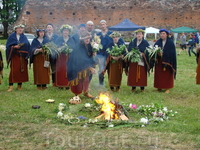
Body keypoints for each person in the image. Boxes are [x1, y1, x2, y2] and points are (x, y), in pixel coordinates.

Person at [67, 31, 96, 99]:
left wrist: (93, 53)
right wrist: (90, 67)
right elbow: (82, 59)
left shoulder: (88, 45)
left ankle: (86, 92)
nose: (87, 40)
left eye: (88, 38)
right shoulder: (78, 47)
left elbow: (88, 55)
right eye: (86, 38)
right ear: (82, 39)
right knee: (78, 80)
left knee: (86, 78)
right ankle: (77, 94)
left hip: (85, 65)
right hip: (76, 66)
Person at [96, 20, 124, 85]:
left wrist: (120, 50)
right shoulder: (97, 35)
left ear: (106, 25)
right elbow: (94, 44)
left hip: (110, 54)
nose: (102, 26)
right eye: (101, 25)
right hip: (101, 54)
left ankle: (111, 83)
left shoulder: (111, 34)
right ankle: (101, 84)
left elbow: (120, 41)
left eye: (103, 24)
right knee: (101, 70)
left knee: (110, 70)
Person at [6, 24, 30, 92]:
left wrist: (27, 54)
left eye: (21, 28)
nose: (20, 30)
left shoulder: (24, 37)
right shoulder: (12, 36)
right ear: (16, 29)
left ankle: (19, 86)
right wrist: (13, 47)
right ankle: (10, 86)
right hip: (15, 56)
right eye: (19, 28)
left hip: (23, 56)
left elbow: (27, 45)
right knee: (14, 70)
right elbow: (8, 46)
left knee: (21, 71)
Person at [153, 29, 177, 93]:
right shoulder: (158, 42)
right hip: (159, 62)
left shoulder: (170, 42)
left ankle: (167, 87)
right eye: (161, 34)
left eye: (164, 34)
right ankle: (159, 87)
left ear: (167, 35)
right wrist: (157, 53)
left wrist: (164, 53)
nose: (162, 35)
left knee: (167, 75)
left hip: (168, 61)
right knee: (159, 75)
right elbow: (153, 50)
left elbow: (171, 52)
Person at [55, 24, 75, 89]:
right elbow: (56, 47)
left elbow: (73, 47)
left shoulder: (71, 39)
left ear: (69, 32)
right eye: (64, 31)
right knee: (61, 70)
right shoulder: (59, 39)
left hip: (68, 58)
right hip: (61, 58)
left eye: (67, 31)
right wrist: (60, 48)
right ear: (62, 32)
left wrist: (69, 49)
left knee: (68, 70)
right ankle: (60, 84)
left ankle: (68, 84)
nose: (65, 32)